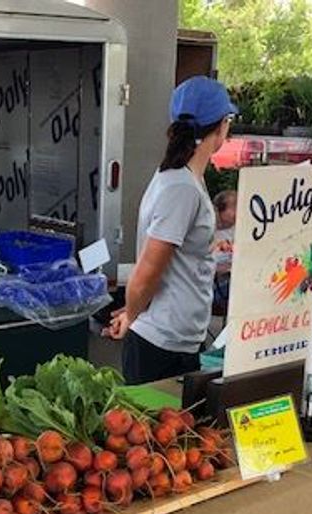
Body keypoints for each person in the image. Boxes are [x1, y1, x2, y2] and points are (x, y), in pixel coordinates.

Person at [105, 76, 237, 383]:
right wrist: (131, 314)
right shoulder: (181, 187)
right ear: (221, 126)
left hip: (176, 338)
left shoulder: (184, 179)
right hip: (162, 343)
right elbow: (149, 268)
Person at [211, 189, 237, 318]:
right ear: (221, 209)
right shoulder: (208, 230)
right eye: (234, 207)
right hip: (213, 288)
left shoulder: (238, 229)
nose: (238, 212)